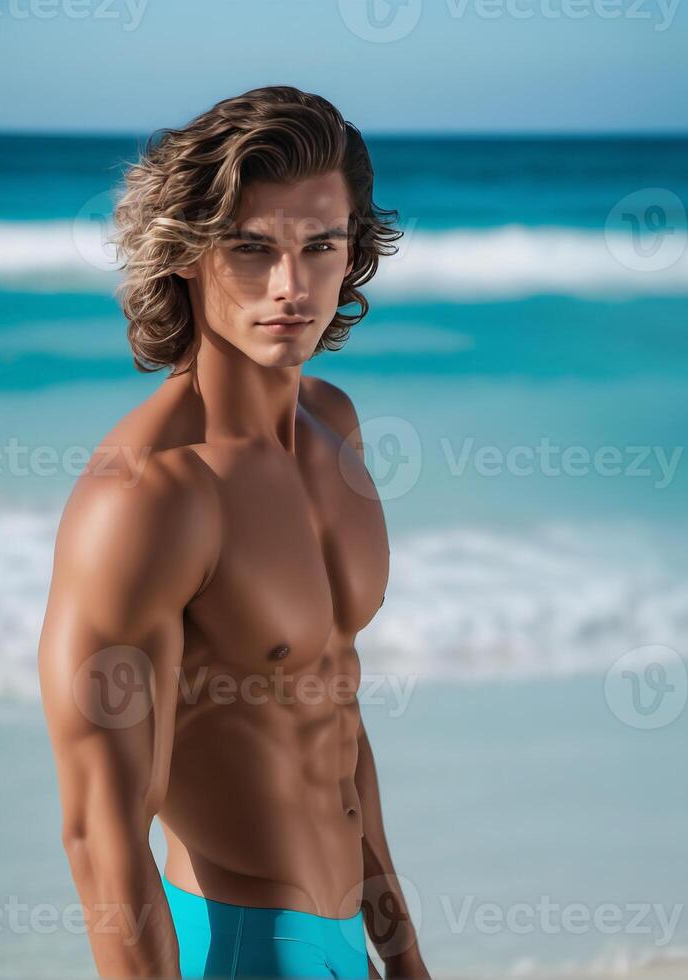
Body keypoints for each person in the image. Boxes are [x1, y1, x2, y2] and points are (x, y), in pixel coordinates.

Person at [36, 85, 429, 979]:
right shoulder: (150, 494)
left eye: (319, 248)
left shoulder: (336, 430)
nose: (291, 287)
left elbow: (334, 711)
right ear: (184, 256)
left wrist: (401, 960)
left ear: (352, 254)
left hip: (343, 946)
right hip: (238, 947)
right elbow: (101, 832)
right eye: (251, 251)